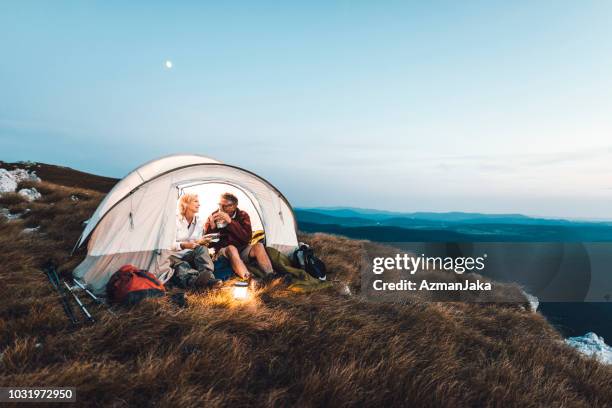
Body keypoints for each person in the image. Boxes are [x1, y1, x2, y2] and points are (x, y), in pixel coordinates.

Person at [205, 192, 274, 281]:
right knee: (231, 248)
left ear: (234, 206)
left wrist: (230, 222)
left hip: (242, 249)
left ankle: (271, 275)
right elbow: (208, 243)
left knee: (259, 246)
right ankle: (249, 279)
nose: (221, 208)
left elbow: (247, 238)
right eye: (220, 205)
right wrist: (211, 227)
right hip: (224, 252)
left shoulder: (243, 215)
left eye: (225, 206)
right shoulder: (214, 216)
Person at [170, 193, 222, 289]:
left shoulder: (199, 221)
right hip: (174, 256)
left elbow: (196, 242)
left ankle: (208, 278)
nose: (199, 204)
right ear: (186, 203)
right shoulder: (174, 220)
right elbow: (168, 244)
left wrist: (201, 241)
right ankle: (194, 281)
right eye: (195, 201)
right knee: (182, 265)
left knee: (202, 249)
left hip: (189, 254)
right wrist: (184, 245)